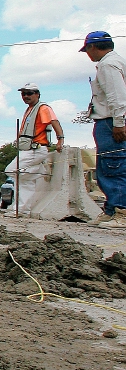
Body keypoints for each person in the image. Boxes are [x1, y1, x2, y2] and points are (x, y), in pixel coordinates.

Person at [81, 31, 126, 228]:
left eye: (87, 50)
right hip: (109, 120)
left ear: (93, 47)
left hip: (110, 121)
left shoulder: (108, 65)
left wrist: (119, 122)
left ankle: (120, 210)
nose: (88, 55)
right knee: (108, 166)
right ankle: (111, 209)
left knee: (113, 166)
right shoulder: (114, 62)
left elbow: (117, 96)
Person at [11, 83, 65, 215]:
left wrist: (60, 139)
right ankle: (22, 210)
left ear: (37, 94)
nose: (25, 96)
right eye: (23, 93)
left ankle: (39, 169)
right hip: (28, 149)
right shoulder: (30, 109)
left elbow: (54, 122)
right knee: (25, 180)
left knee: (12, 170)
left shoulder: (43, 108)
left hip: (37, 148)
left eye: (29, 93)